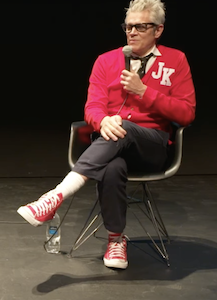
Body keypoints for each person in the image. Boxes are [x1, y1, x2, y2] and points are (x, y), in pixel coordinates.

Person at [17, 0, 195, 269]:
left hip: (152, 147)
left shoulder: (176, 59)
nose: (132, 32)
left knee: (122, 127)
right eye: (128, 27)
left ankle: (55, 197)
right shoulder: (106, 60)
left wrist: (145, 93)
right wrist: (101, 122)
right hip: (111, 144)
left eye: (140, 27)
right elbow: (92, 107)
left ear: (158, 30)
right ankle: (115, 239)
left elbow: (186, 113)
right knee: (112, 166)